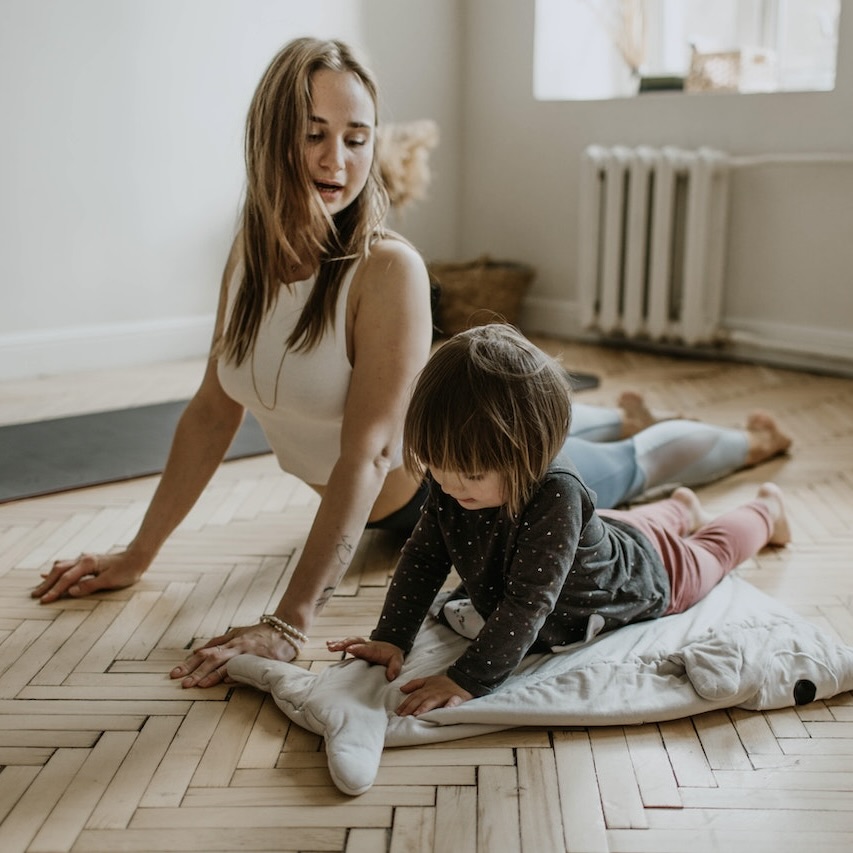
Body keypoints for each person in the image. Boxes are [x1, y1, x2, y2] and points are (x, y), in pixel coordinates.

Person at [30, 38, 790, 690]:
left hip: (471, 488)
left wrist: (288, 621)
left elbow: (367, 453)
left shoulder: (384, 268)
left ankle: (746, 447)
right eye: (314, 133)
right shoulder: (249, 258)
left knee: (626, 463)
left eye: (357, 137)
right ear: (268, 136)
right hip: (440, 474)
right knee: (601, 448)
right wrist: (138, 552)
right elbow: (209, 412)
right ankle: (621, 431)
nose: (338, 159)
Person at [327, 324, 791, 715]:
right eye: (437, 468)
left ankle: (767, 510)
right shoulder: (455, 482)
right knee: (629, 526)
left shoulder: (557, 493)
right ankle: (682, 507)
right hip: (604, 533)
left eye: (469, 474)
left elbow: (529, 603)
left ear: (529, 454)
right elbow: (425, 556)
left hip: (645, 573)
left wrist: (466, 678)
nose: (448, 486)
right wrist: (391, 636)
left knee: (712, 551)